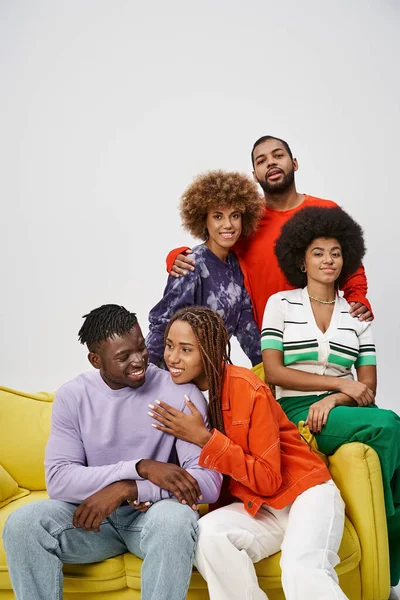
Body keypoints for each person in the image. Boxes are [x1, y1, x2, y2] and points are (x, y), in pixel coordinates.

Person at [2, 304, 222, 600]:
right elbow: (59, 480)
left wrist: (130, 489)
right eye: (123, 357)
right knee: (22, 525)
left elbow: (207, 483)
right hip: (93, 520)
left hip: (150, 519)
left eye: (141, 348)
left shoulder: (179, 393)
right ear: (96, 360)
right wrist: (140, 467)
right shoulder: (73, 396)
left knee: (176, 520)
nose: (139, 361)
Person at [147, 306, 348, 600]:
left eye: (186, 349)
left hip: (304, 493)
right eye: (169, 346)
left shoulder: (247, 388)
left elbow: (268, 478)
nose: (173, 358)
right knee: (207, 537)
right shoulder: (174, 396)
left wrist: (205, 439)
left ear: (211, 351)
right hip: (258, 507)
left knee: (300, 568)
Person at [261, 206, 400, 593]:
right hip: (294, 411)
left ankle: (387, 516)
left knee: (388, 425)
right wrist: (338, 388)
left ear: (347, 259)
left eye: (335, 252)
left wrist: (336, 398)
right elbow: (273, 371)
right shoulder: (281, 304)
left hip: (338, 412)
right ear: (301, 260)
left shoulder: (358, 317)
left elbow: (366, 389)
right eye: (318, 252)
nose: (328, 260)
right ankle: (390, 523)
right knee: (390, 425)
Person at [165, 136, 373, 331]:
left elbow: (350, 263)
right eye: (262, 160)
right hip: (268, 338)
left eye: (278, 155)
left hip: (321, 329)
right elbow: (215, 250)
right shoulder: (246, 220)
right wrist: (179, 255)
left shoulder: (326, 210)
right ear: (255, 176)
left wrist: (357, 297)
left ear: (295, 163)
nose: (271, 163)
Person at [146, 170, 263, 367]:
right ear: (204, 220)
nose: (228, 224)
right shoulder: (191, 263)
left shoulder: (235, 265)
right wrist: (147, 377)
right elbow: (164, 324)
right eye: (218, 216)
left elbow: (246, 328)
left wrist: (268, 369)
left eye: (234, 215)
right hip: (176, 375)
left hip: (211, 375)